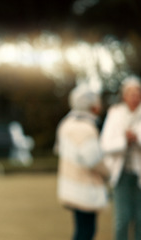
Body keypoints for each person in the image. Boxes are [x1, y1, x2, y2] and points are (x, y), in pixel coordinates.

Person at [55, 85, 109, 240]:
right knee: (86, 231)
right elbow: (94, 160)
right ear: (91, 106)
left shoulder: (66, 124)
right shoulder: (85, 128)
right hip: (84, 189)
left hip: (70, 185)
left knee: (81, 229)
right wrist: (109, 173)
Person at [100, 76, 141, 240]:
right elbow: (105, 144)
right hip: (121, 174)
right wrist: (124, 140)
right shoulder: (114, 114)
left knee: (140, 218)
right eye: (130, 92)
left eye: (137, 92)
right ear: (124, 95)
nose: (134, 96)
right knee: (122, 219)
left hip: (139, 173)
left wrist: (136, 137)